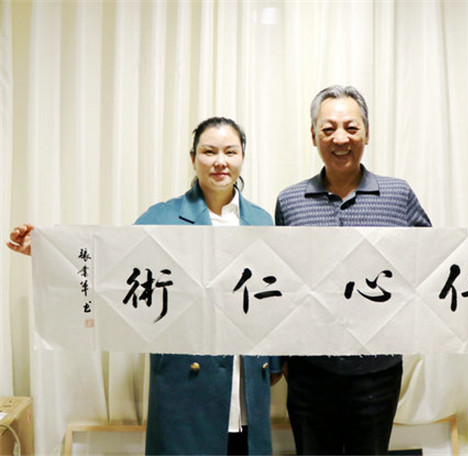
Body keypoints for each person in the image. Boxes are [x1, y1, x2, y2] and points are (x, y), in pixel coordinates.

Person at [274, 85, 468, 455]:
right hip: (309, 376)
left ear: (367, 133)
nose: (340, 138)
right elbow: (282, 282)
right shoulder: (290, 202)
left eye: (351, 128)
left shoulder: (397, 196)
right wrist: (285, 360)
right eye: (328, 129)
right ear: (313, 135)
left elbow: (438, 261)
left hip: (377, 374)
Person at [7, 117, 282, 455]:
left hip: (247, 378)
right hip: (185, 382)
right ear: (193, 157)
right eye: (209, 151)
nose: (220, 161)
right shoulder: (162, 218)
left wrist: (275, 362)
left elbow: (275, 297)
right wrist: (46, 250)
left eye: (230, 151)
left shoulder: (261, 219)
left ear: (243, 157)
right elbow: (112, 267)